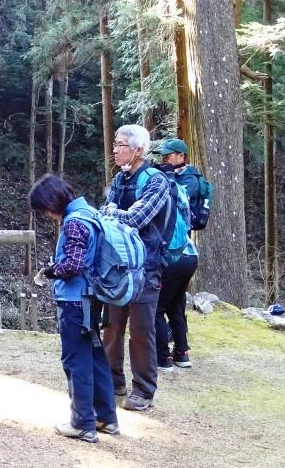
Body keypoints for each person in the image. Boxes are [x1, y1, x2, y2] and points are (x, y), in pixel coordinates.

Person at [30, 174, 118, 443]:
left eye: (44, 208)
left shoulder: (74, 222)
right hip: (91, 299)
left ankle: (82, 423)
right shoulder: (89, 212)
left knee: (76, 361)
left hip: (75, 302)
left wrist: (48, 271)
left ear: (51, 202)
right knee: (94, 358)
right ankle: (106, 418)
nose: (46, 214)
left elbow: (72, 265)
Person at [101, 125, 170, 411]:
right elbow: (108, 213)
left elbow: (135, 218)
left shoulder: (156, 181)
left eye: (120, 145)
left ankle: (143, 390)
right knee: (112, 326)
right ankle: (113, 379)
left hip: (147, 267)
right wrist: (115, 213)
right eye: (115, 145)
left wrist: (112, 212)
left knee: (142, 330)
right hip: (118, 266)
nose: (114, 150)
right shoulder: (119, 179)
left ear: (138, 150)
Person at [156, 138, 200, 370]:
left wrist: (167, 178)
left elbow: (176, 199)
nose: (164, 159)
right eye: (163, 156)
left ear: (181, 156)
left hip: (175, 255)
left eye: (169, 155)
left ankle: (163, 359)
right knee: (175, 306)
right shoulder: (177, 177)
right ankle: (182, 354)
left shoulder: (189, 180)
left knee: (156, 309)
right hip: (188, 254)